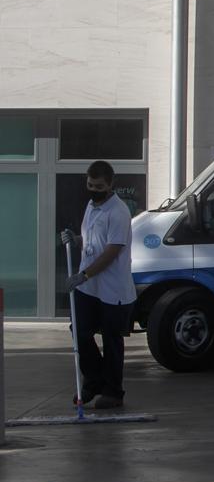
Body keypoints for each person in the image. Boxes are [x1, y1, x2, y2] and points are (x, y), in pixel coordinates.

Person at [59, 160, 135, 410]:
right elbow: (94, 241)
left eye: (99, 186)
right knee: (79, 331)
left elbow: (112, 250)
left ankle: (113, 392)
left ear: (111, 184)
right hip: (88, 288)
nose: (94, 189)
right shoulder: (91, 206)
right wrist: (77, 239)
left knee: (112, 341)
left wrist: (85, 275)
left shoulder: (119, 212)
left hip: (113, 289)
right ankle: (94, 380)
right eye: (90, 184)